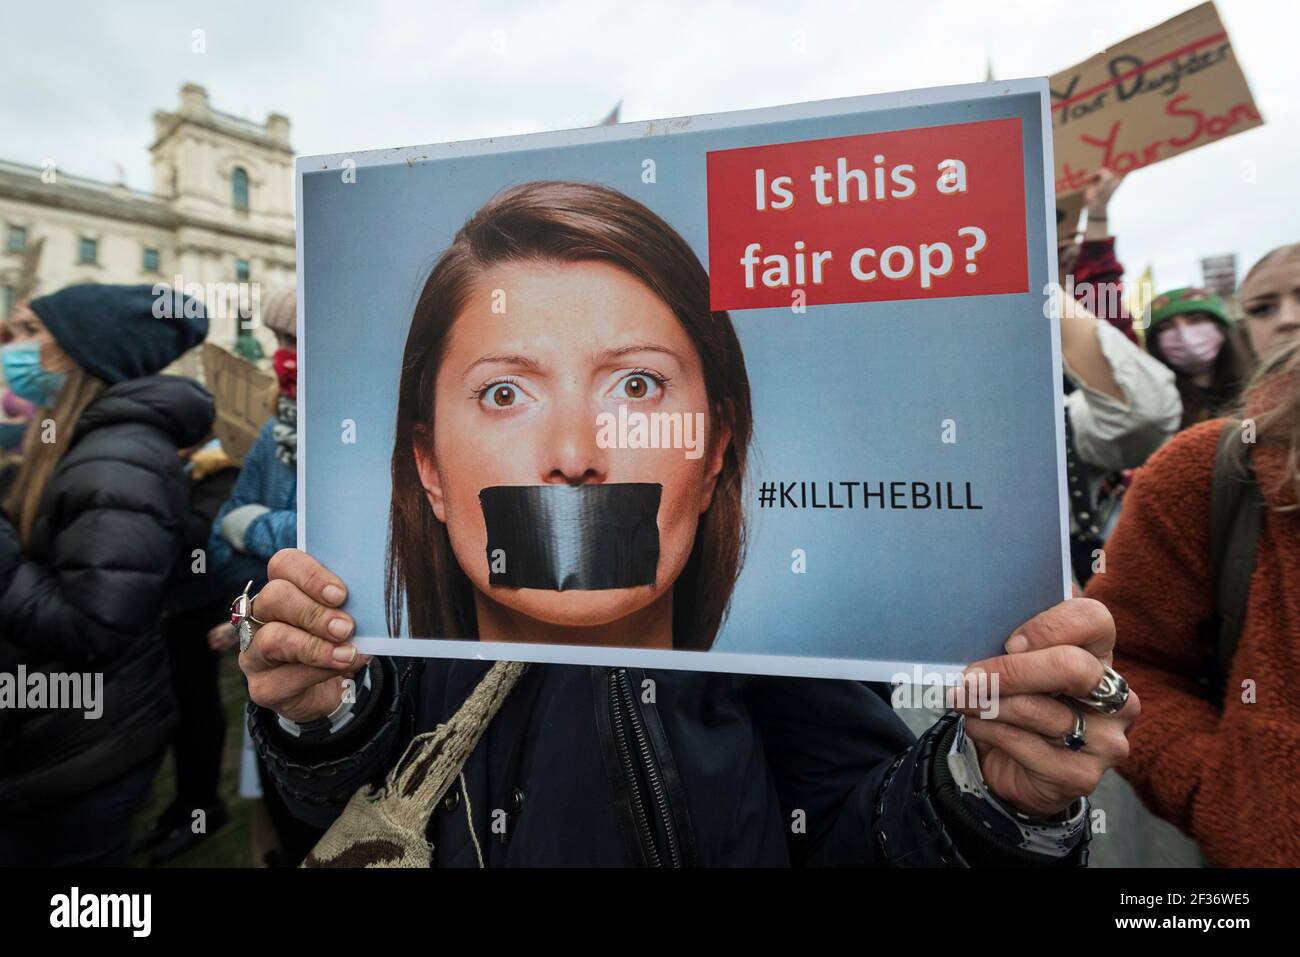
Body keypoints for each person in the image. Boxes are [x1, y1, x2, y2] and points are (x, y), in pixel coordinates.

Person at [243, 182, 1137, 867]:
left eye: (635, 386)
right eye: (505, 392)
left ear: (714, 451)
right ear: (429, 467)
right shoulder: (374, 667)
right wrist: (317, 725)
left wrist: (987, 797)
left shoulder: (790, 660)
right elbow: (325, 830)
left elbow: (853, 834)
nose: (575, 452)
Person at [0, 284, 212, 866]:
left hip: (83, 747)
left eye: (29, 333)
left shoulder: (120, 458)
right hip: (56, 736)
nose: (13, 348)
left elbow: (93, 625)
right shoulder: (78, 440)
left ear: (82, 351)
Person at [1085, 293, 1300, 867]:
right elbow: (1131, 661)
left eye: (1197, 321)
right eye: (1263, 305)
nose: (1287, 316)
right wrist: (1230, 799)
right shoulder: (1208, 463)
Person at [134, 437, 242, 864]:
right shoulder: (180, 474)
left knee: (198, 710)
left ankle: (203, 809)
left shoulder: (218, 472)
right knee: (177, 711)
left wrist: (162, 493)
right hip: (169, 611)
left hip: (198, 610)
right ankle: (181, 808)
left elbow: (198, 541)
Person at [1144, 288, 1251, 430]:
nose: (1184, 335)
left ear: (1220, 328)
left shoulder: (1257, 391)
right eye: (1166, 327)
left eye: (1196, 320)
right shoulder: (1154, 407)